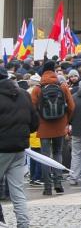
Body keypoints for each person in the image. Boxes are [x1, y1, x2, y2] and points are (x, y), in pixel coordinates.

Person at [0, 66, 38, 228]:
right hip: (19, 149)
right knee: (18, 192)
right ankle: (23, 224)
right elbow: (34, 123)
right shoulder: (23, 94)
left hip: (1, 149)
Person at [30, 60, 74, 195]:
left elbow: (32, 108)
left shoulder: (37, 88)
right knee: (58, 153)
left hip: (43, 126)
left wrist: (38, 122)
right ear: (54, 71)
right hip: (60, 125)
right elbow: (72, 106)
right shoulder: (62, 86)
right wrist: (67, 121)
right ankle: (58, 183)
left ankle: (47, 187)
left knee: (45, 156)